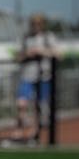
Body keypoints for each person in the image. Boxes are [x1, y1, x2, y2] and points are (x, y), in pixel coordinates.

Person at [15, 14, 57, 145]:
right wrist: (27, 54)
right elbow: (18, 56)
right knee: (21, 104)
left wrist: (41, 51)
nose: (36, 26)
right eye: (33, 23)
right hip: (27, 76)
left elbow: (58, 54)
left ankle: (35, 134)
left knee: (38, 107)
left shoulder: (48, 37)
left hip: (43, 76)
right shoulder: (26, 38)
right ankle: (19, 132)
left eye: (38, 23)